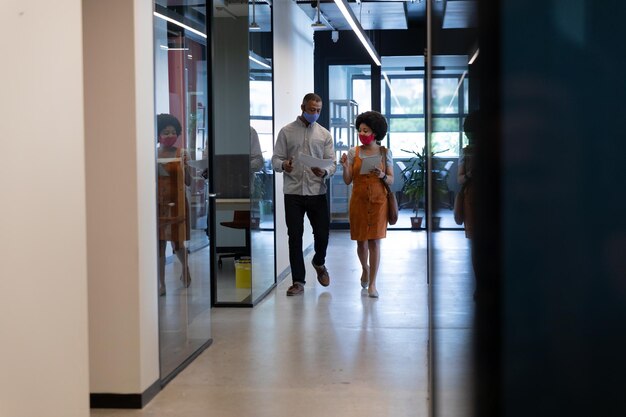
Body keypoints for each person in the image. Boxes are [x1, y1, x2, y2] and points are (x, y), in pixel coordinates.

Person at [272, 93, 336, 296]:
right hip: (293, 193)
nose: (315, 114)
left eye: (318, 110)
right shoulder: (286, 132)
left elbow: (332, 163)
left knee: (323, 235)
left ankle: (319, 262)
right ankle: (298, 281)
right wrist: (284, 165)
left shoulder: (324, 135)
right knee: (295, 237)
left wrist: (324, 171)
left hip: (317, 191)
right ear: (302, 107)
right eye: (311, 110)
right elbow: (275, 160)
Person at [340, 111, 393, 298]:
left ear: (376, 133)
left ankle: (373, 284)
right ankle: (365, 268)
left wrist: (383, 175)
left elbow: (392, 179)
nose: (362, 134)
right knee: (361, 243)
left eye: (366, 130)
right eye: (360, 130)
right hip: (359, 200)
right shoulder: (354, 152)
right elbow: (347, 180)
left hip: (379, 201)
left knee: (375, 242)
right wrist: (345, 167)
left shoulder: (385, 153)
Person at [156, 113, 193, 296]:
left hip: (177, 204)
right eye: (165, 132)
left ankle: (184, 267)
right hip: (158, 205)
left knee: (177, 243)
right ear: (158, 134)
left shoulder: (182, 153)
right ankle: (161, 284)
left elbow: (189, 182)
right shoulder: (152, 153)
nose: (170, 135)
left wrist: (186, 166)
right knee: (159, 244)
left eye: (173, 132)